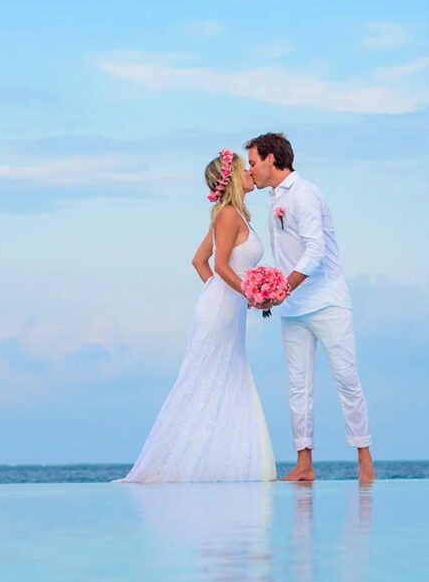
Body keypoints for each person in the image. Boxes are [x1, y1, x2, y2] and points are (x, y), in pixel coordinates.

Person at [121, 149, 276, 482]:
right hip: (219, 313)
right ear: (232, 176)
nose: (250, 172)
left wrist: (232, 295)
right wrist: (247, 294)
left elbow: (199, 261)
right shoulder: (227, 215)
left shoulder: (233, 214)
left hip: (227, 309)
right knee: (205, 381)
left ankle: (221, 462)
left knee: (223, 380)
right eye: (243, 168)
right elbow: (217, 266)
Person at [245, 132, 375, 483]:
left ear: (272, 159)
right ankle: (304, 462)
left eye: (253, 162)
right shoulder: (273, 200)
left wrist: (282, 289)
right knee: (298, 385)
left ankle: (364, 460)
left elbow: (315, 251)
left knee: (347, 379)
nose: (250, 170)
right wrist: (271, 290)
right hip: (293, 307)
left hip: (327, 301)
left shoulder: (305, 193)